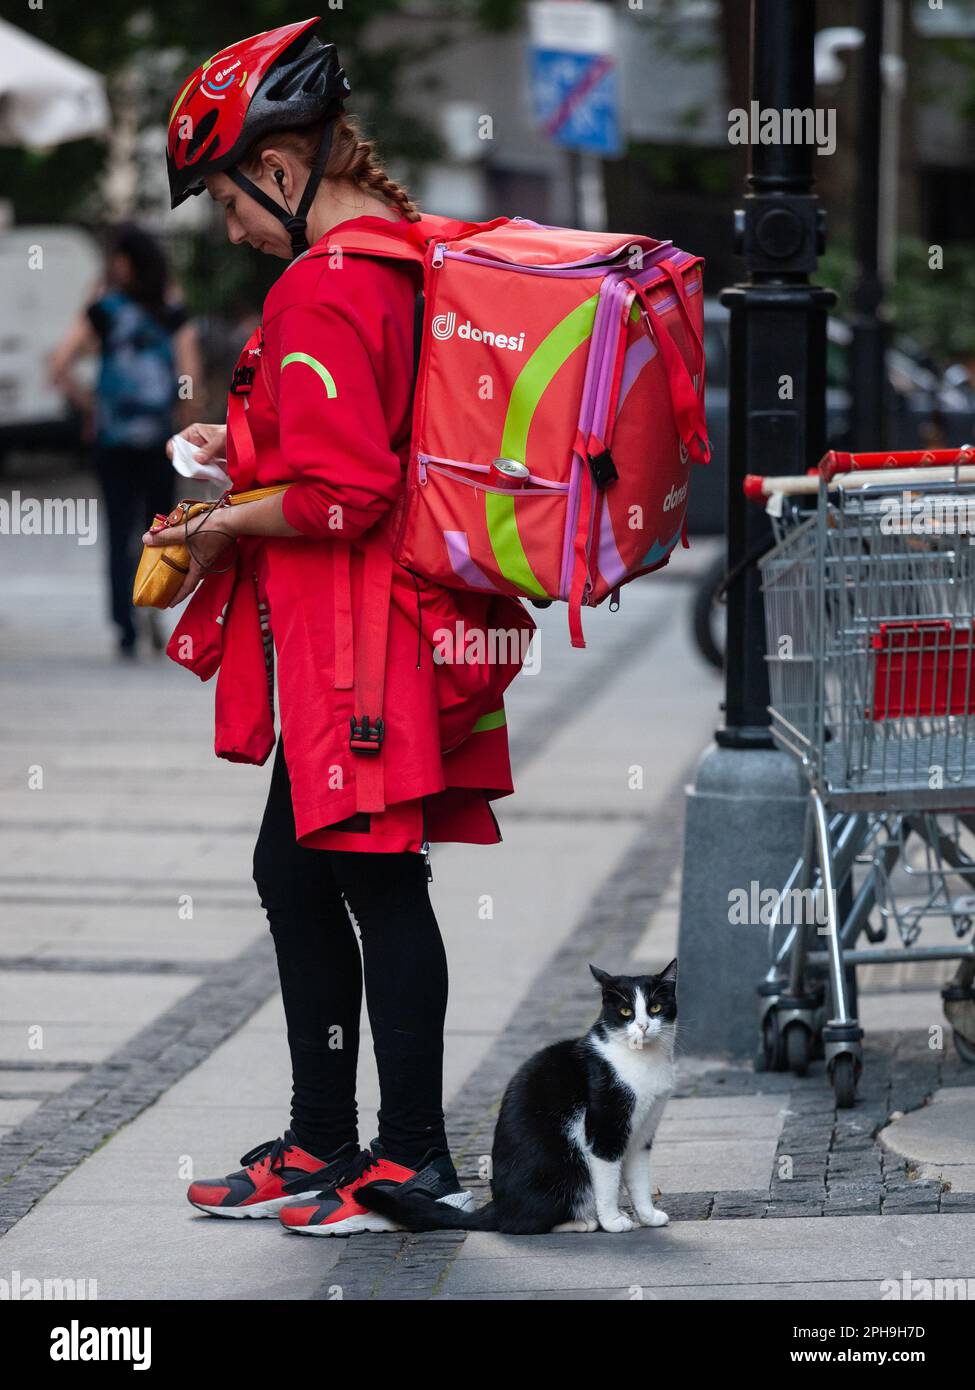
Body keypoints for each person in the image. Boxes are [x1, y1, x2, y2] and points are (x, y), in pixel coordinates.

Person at [144, 17, 536, 1234]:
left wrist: (214, 526)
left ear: (279, 165)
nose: (231, 231)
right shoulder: (406, 258)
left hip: (355, 639)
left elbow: (342, 493)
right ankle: (324, 1142)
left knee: (375, 880)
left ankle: (410, 1157)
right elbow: (362, 441)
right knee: (300, 870)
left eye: (226, 200)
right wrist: (241, 443)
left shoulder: (321, 284)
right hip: (397, 626)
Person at [49, 223, 202, 657]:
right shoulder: (170, 308)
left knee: (119, 533)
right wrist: (186, 412)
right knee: (161, 528)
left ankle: (125, 624)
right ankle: (154, 601)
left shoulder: (105, 308)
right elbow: (188, 370)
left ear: (125, 261)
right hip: (160, 440)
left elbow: (60, 364)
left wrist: (90, 406)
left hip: (113, 439)